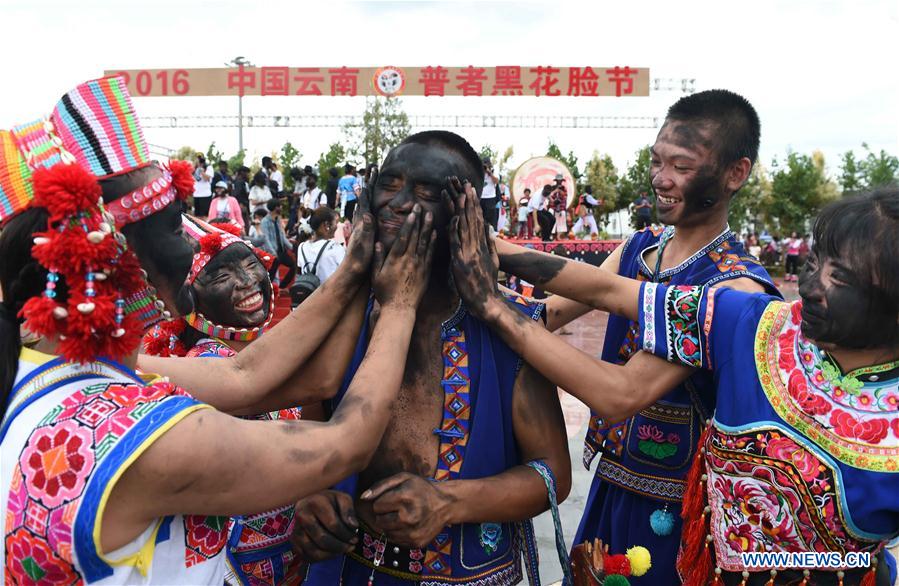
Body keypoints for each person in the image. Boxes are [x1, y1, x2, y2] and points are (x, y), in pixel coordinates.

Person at [0, 77, 436, 585]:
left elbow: (246, 376)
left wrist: (356, 267)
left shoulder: (47, 361)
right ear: (108, 252)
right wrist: (401, 301)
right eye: (170, 227)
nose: (191, 251)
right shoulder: (126, 433)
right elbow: (345, 444)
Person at [452, 181, 899, 586]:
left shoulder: (741, 288)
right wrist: (492, 251)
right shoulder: (752, 326)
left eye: (838, 276)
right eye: (815, 260)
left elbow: (620, 392)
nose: (812, 283)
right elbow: (609, 292)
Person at [511, 90, 780, 583]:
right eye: (657, 161)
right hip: (614, 485)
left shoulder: (734, 288)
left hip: (679, 513)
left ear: (735, 174)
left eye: (681, 165)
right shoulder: (639, 250)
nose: (661, 178)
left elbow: (621, 394)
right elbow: (550, 312)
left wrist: (498, 304)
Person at [295, 131, 571, 586]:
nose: (399, 203)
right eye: (389, 184)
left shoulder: (508, 330)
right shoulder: (337, 318)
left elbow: (552, 475)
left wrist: (449, 501)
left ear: (465, 214)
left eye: (425, 193)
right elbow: (306, 438)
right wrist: (311, 501)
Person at [296, 207, 346, 286]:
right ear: (326, 225)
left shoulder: (302, 247)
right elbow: (346, 274)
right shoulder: (335, 248)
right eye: (336, 222)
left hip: (310, 296)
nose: (337, 226)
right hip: (330, 295)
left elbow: (299, 273)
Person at [261, 199, 295, 288]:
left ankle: (282, 287)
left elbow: (282, 236)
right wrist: (273, 252)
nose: (281, 208)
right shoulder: (265, 221)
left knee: (293, 265)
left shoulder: (278, 220)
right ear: (275, 207)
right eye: (279, 206)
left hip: (281, 250)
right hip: (272, 252)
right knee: (271, 274)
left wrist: (291, 247)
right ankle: (267, 289)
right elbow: (266, 239)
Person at [480, 158, 499, 230]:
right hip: (480, 197)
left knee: (490, 219)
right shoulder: (480, 171)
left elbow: (496, 181)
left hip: (490, 198)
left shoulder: (494, 171)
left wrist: (489, 173)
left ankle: (491, 235)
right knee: (481, 218)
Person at [193, 153, 213, 217]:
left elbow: (207, 178)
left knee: (205, 216)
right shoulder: (194, 168)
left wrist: (201, 170)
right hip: (196, 194)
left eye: (200, 158)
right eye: (197, 158)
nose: (198, 160)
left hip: (205, 195)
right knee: (197, 216)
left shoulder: (208, 167)